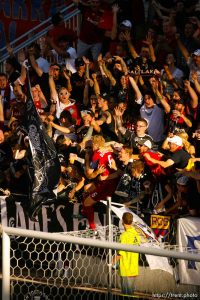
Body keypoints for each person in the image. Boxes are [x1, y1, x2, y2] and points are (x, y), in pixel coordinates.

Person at [112, 212, 140, 296]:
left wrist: (112, 262)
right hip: (134, 268)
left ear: (122, 221)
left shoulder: (124, 236)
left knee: (126, 295)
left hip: (126, 269)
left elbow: (121, 254)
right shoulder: (136, 235)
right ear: (131, 221)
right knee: (130, 294)